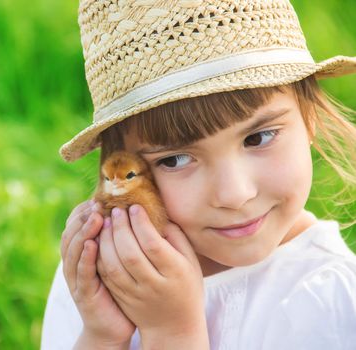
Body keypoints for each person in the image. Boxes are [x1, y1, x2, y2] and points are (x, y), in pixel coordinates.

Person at [42, 0, 356, 349]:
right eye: (175, 160)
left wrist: (172, 333)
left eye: (258, 137)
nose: (235, 194)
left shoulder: (332, 302)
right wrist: (102, 335)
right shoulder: (106, 274)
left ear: (308, 118)